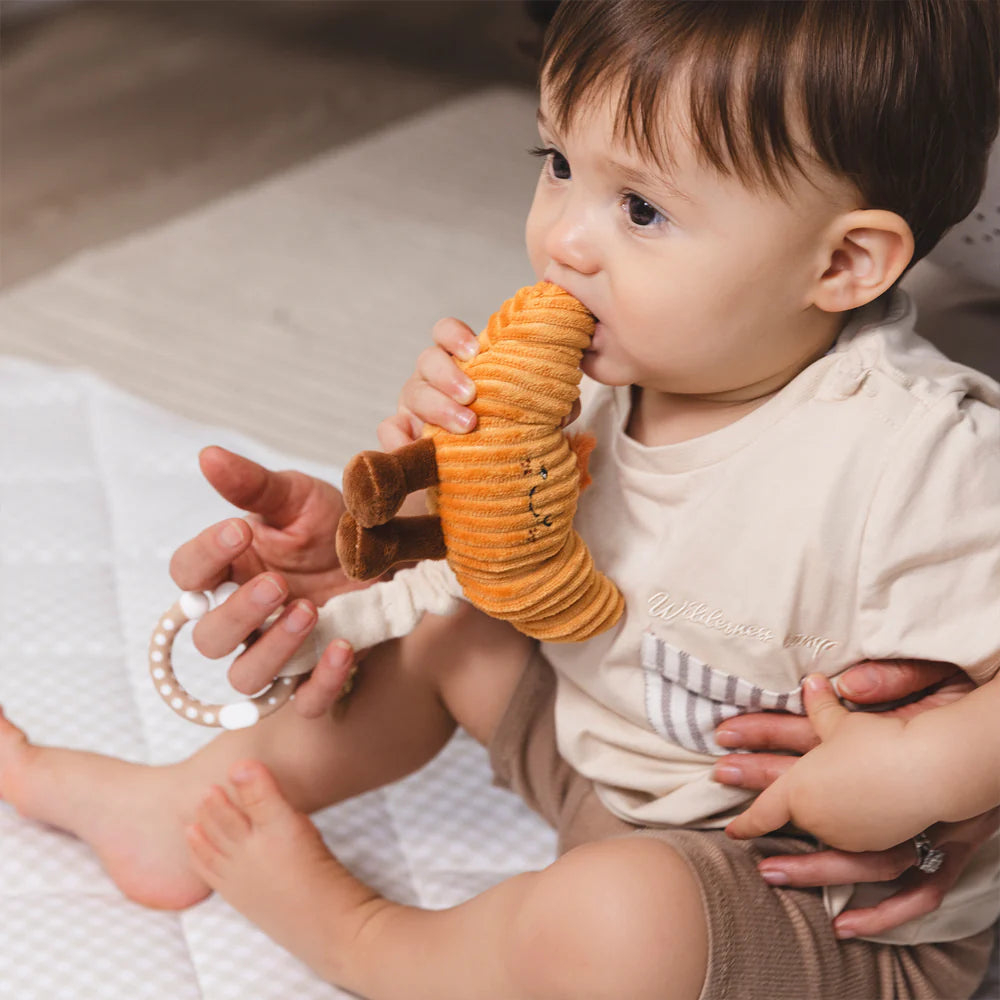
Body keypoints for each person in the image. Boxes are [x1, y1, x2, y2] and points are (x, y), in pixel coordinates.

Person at [1, 2, 998, 998]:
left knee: (620, 921)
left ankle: (359, 938)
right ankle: (183, 807)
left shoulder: (922, 459)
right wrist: (418, 508)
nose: (561, 238)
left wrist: (927, 770)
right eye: (558, 161)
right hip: (614, 769)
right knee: (455, 630)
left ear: (839, 263)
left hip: (821, 910)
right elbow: (519, 560)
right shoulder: (632, 360)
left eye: (641, 209)